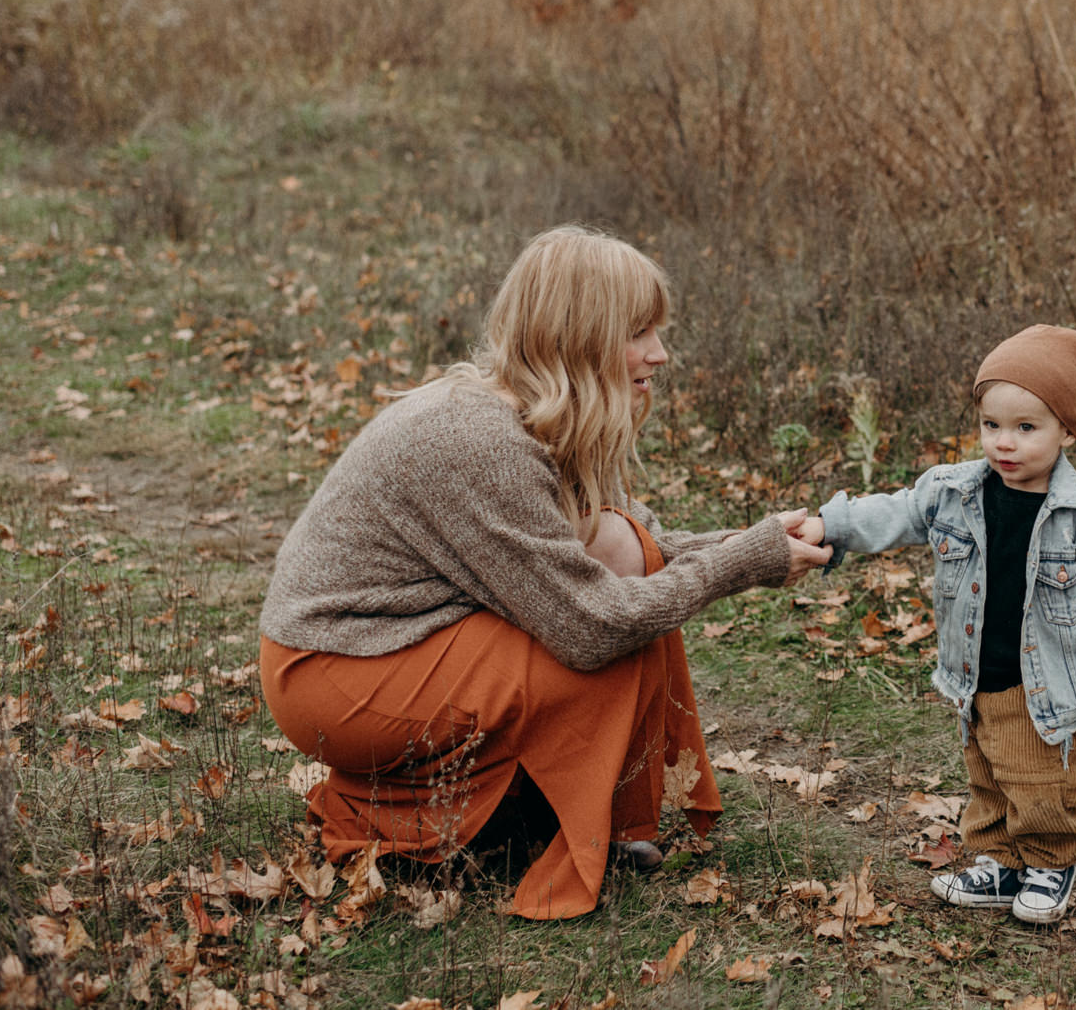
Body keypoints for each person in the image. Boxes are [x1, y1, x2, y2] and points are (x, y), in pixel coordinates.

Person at [257, 226, 831, 920]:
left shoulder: (529, 417)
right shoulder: (482, 442)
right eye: (640, 331)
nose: (661, 352)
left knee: (623, 550)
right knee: (612, 631)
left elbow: (645, 546)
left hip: (392, 645)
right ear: (582, 336)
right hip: (333, 671)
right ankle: (531, 827)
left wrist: (763, 542)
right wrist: (747, 559)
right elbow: (594, 625)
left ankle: (534, 813)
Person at [796, 325, 1076, 925]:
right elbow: (894, 511)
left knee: (1042, 778)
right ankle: (999, 860)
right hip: (974, 672)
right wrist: (829, 525)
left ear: (1067, 430)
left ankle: (1048, 860)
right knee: (988, 771)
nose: (1004, 443)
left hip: (1050, 680)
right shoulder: (954, 492)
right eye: (992, 425)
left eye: (1026, 428)